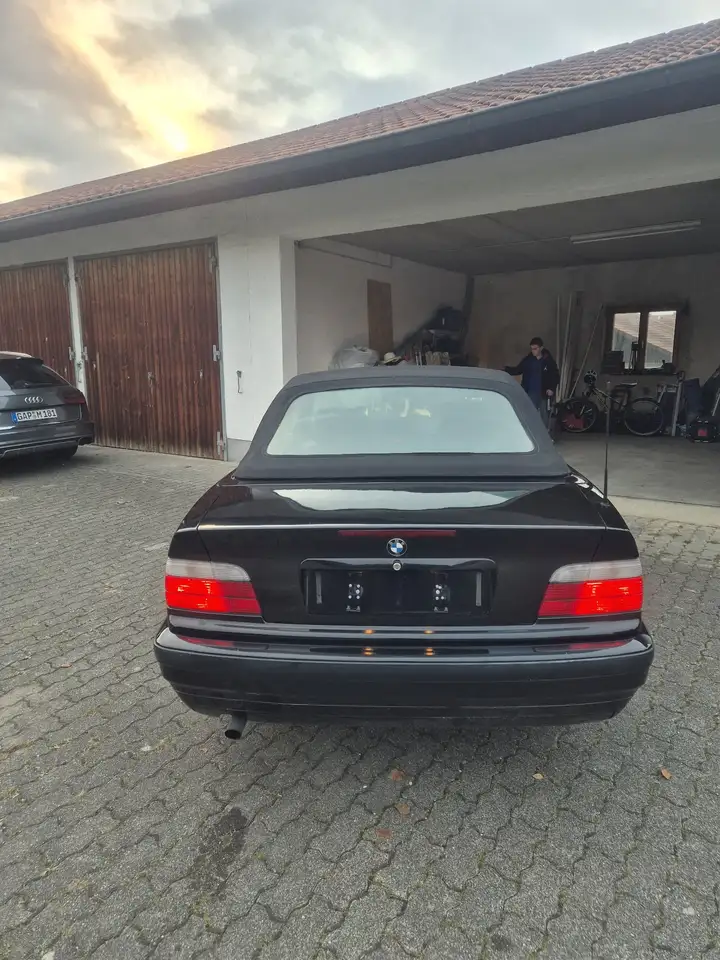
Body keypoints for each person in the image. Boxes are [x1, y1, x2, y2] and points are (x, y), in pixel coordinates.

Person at [505, 337, 560, 427]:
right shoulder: (528, 360)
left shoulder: (548, 361)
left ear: (541, 348)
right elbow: (518, 370)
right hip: (530, 392)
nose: (533, 351)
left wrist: (551, 388)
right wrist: (506, 369)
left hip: (543, 393)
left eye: (535, 349)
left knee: (544, 416)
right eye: (532, 349)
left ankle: (544, 433)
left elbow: (555, 376)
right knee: (528, 415)